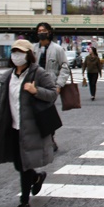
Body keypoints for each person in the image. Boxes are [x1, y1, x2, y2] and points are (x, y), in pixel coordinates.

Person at [0, 39, 57, 207]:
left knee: (24, 163)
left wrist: (36, 91)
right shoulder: (8, 77)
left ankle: (24, 202)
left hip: (31, 128)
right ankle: (36, 178)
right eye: (14, 52)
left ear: (28, 55)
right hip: (12, 127)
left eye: (20, 52)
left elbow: (52, 94)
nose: (16, 55)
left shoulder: (38, 73)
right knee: (19, 164)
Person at [32, 22, 69, 153]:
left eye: (43, 30)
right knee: (35, 113)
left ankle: (50, 139)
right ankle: (41, 139)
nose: (41, 32)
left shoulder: (57, 49)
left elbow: (65, 68)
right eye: (39, 30)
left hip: (50, 87)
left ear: (49, 32)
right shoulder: (33, 49)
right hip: (34, 87)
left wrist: (59, 85)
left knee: (47, 112)